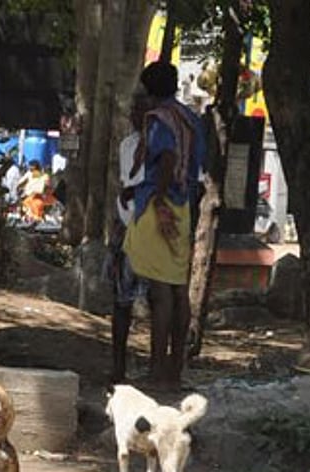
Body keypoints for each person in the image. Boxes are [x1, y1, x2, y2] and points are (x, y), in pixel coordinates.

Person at [122, 61, 207, 389]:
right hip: (184, 204)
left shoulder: (159, 119)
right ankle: (175, 369)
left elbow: (168, 158)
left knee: (160, 292)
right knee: (178, 289)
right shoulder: (190, 118)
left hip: (161, 205)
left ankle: (157, 370)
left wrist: (157, 198)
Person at [105, 89, 150, 383]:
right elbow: (126, 183)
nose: (135, 114)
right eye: (133, 108)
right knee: (121, 301)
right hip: (126, 227)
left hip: (152, 228)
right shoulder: (127, 144)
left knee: (157, 299)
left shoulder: (161, 146)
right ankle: (118, 367)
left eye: (141, 109)